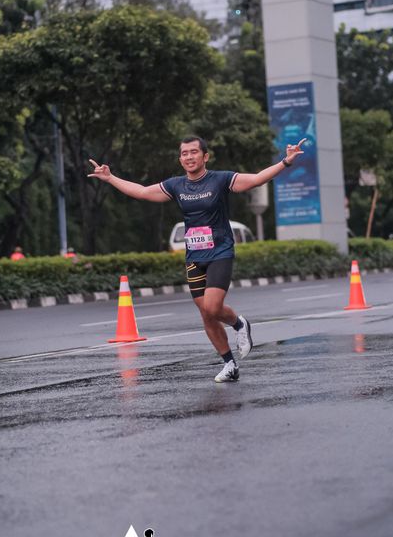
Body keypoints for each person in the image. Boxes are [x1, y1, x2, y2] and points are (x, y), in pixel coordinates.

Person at [88, 135, 305, 382]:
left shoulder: (221, 179)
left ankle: (239, 324)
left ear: (205, 156)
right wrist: (110, 178)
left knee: (212, 307)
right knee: (206, 314)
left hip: (220, 252)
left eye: (194, 152)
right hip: (194, 255)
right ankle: (229, 364)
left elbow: (256, 179)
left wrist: (285, 162)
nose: (189, 157)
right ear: (180, 159)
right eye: (184, 153)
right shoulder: (176, 185)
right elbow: (143, 192)